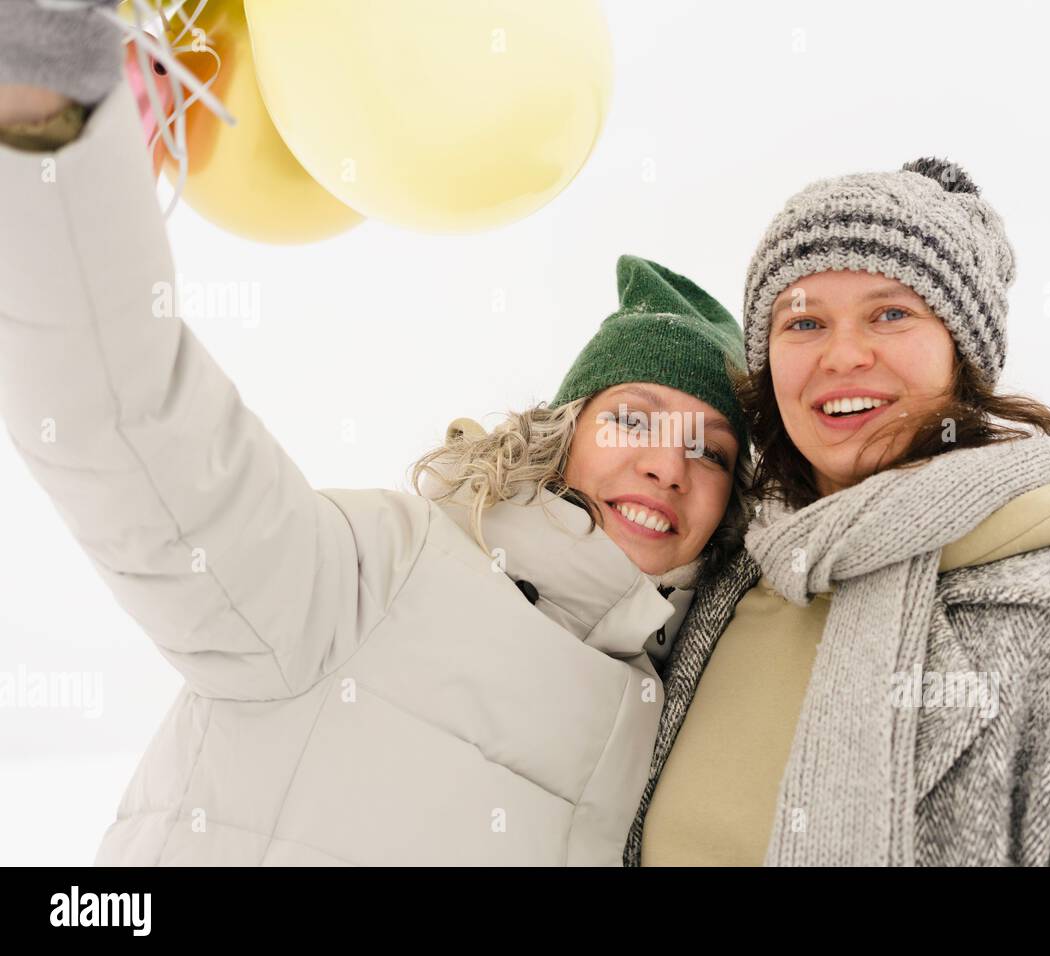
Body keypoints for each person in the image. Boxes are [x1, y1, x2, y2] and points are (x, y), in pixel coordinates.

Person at [0, 2, 749, 865]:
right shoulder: (380, 571)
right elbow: (128, 424)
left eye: (713, 452)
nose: (667, 465)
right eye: (633, 418)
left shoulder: (677, 713)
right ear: (561, 431)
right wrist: (48, 98)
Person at [626, 158, 1050, 866]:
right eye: (804, 321)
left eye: (891, 313)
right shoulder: (724, 580)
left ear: (962, 353)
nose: (843, 354)